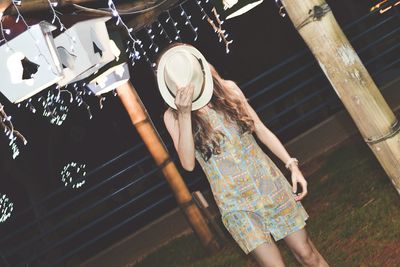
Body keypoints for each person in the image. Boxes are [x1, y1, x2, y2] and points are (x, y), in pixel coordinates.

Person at [157, 43, 329, 267]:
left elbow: (261, 129)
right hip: (236, 205)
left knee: (307, 255)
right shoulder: (173, 117)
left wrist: (292, 165)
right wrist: (185, 114)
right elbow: (188, 164)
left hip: (269, 184)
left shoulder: (228, 89)